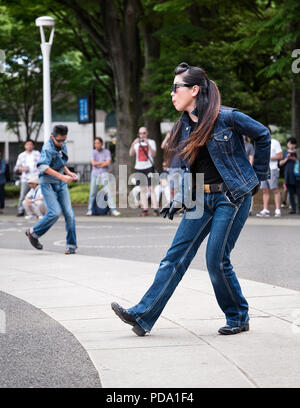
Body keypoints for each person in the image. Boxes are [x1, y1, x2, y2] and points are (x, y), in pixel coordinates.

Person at [111, 62, 270, 337]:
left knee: (216, 259)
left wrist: (256, 177)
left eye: (176, 88)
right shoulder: (183, 127)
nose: (172, 94)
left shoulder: (227, 117)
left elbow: (263, 135)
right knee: (173, 257)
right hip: (199, 198)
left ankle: (238, 315)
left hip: (230, 197)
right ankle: (142, 314)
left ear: (194, 90)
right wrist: (180, 198)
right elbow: (190, 169)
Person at [25, 125, 78, 254]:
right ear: (52, 137)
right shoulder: (47, 148)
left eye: (64, 140)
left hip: (61, 183)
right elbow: (43, 166)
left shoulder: (61, 144)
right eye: (59, 140)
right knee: (54, 213)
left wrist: (68, 172)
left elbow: (60, 161)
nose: (61, 143)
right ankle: (33, 232)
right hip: (47, 183)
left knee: (70, 215)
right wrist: (62, 177)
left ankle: (71, 246)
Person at [129, 127, 159, 216]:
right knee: (142, 189)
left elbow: (154, 154)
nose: (142, 135)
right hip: (139, 168)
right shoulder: (136, 143)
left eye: (144, 133)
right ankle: (145, 209)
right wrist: (133, 144)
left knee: (151, 189)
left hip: (149, 167)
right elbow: (131, 154)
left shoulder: (151, 142)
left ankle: (155, 209)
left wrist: (148, 144)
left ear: (147, 133)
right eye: (140, 133)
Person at [86, 137, 120, 216]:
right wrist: (102, 163)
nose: (96, 145)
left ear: (101, 144)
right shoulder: (93, 152)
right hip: (95, 175)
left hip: (105, 174)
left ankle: (113, 210)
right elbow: (93, 163)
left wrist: (98, 163)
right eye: (95, 143)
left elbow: (107, 163)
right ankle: (90, 209)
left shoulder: (106, 151)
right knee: (92, 193)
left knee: (109, 192)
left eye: (98, 143)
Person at [256, 135, 283, 217]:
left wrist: (267, 158)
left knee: (275, 189)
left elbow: (280, 156)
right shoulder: (260, 143)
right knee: (264, 190)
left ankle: (278, 210)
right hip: (263, 169)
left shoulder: (275, 142)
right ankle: (265, 210)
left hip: (273, 169)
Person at [14, 139, 40, 216]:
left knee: (37, 195)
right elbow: (17, 167)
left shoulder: (37, 154)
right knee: (23, 195)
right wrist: (23, 169)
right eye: (27, 144)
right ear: (25, 146)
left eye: (31, 144)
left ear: (33, 146)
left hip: (35, 178)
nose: (29, 146)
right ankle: (20, 210)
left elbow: (41, 164)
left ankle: (37, 211)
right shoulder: (21, 155)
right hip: (25, 178)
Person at [279, 137, 300, 214]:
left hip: (297, 176)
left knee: (298, 193)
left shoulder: (298, 152)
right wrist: (287, 159)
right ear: (287, 144)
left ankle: (299, 209)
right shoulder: (284, 153)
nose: (292, 145)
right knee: (290, 193)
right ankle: (293, 209)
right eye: (290, 143)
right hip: (288, 175)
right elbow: (280, 163)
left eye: (293, 144)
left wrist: (295, 159)